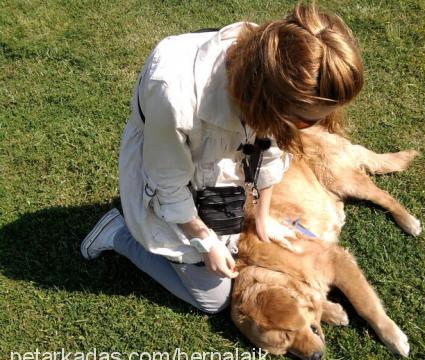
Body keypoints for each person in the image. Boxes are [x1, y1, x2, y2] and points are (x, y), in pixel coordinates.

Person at [80, 3, 363, 314]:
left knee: (229, 257)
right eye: (305, 121)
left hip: (219, 175)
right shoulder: (173, 96)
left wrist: (264, 215)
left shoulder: (276, 60)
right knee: (214, 302)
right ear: (270, 100)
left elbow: (269, 149)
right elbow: (168, 184)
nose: (311, 128)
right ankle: (117, 234)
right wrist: (206, 243)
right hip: (168, 174)